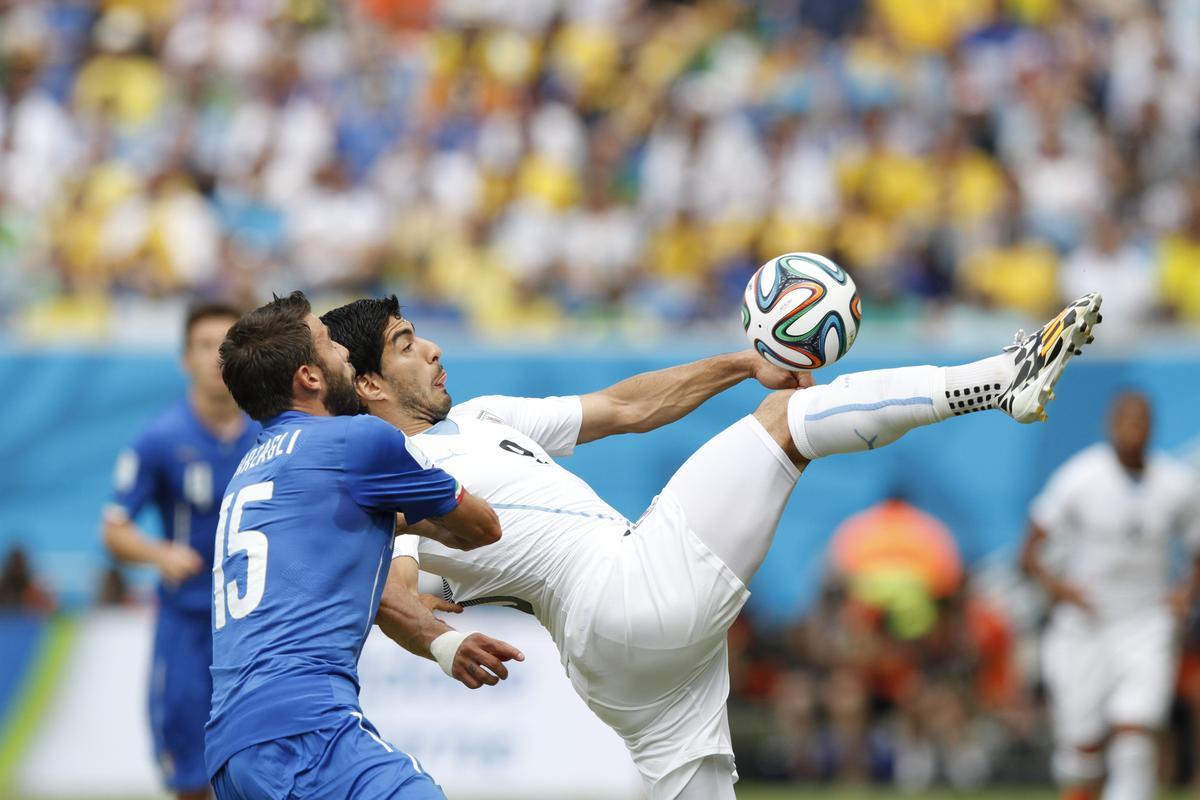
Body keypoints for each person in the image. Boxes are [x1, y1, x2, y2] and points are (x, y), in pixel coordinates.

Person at [322, 290, 1104, 800]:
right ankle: (1002, 377)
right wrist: (442, 644)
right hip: (618, 593)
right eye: (404, 344)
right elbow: (393, 588)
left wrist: (742, 364)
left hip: (619, 661)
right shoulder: (388, 468)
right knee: (791, 425)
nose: (430, 350)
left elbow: (625, 407)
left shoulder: (483, 416)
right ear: (370, 387)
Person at [205, 291, 521, 799]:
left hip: (231, 749)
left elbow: (327, 563)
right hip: (306, 728)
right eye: (330, 344)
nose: (346, 354)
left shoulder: (251, 469)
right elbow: (481, 527)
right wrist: (417, 513)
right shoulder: (359, 441)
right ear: (309, 377)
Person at [102, 301, 259, 800]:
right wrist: (159, 555)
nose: (217, 357)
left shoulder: (273, 433)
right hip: (188, 624)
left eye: (227, 346)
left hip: (259, 628)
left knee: (264, 766)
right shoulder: (159, 438)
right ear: (183, 359)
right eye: (204, 345)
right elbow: (115, 529)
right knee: (188, 771)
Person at [1020, 391, 1200, 800]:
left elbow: (1195, 548)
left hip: (1146, 624)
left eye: (1142, 420)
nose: (1134, 429)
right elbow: (1028, 552)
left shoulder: (1175, 484)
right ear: (1111, 424)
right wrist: (1059, 588)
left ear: (1153, 426)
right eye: (1126, 420)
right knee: (1081, 752)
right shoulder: (1080, 478)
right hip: (1085, 627)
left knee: (1135, 736)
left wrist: (1184, 593)